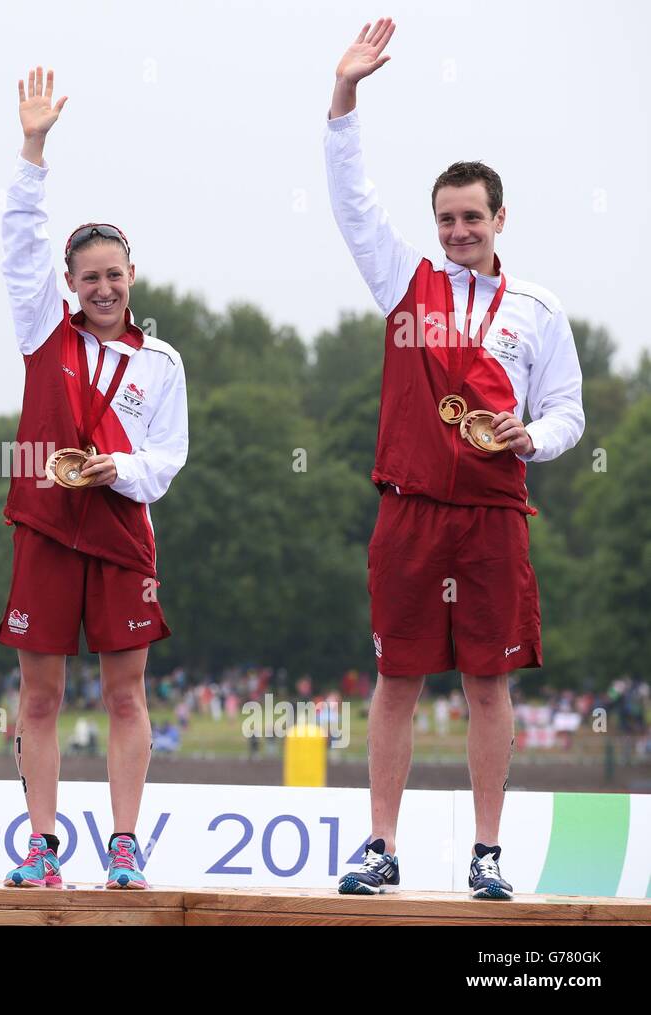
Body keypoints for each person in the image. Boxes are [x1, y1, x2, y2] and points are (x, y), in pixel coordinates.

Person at [324, 21, 584, 899]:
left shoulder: (537, 309)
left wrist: (532, 439)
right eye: (446, 218)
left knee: (486, 683)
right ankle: (381, 847)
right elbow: (352, 200)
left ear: (500, 218)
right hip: (410, 507)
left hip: (493, 514)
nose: (459, 229)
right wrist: (344, 98)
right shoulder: (404, 280)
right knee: (396, 679)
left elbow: (569, 413)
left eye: (473, 217)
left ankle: (486, 853)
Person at [0, 68, 188, 890]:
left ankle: (122, 841)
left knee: (124, 694)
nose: (103, 287)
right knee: (38, 697)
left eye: (115, 274)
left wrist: (120, 467)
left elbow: (169, 459)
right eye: (89, 277)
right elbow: (17, 237)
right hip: (46, 526)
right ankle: (42, 846)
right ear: (69, 285)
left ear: (133, 275)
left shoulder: (162, 360)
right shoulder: (45, 331)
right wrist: (33, 148)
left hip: (119, 534)